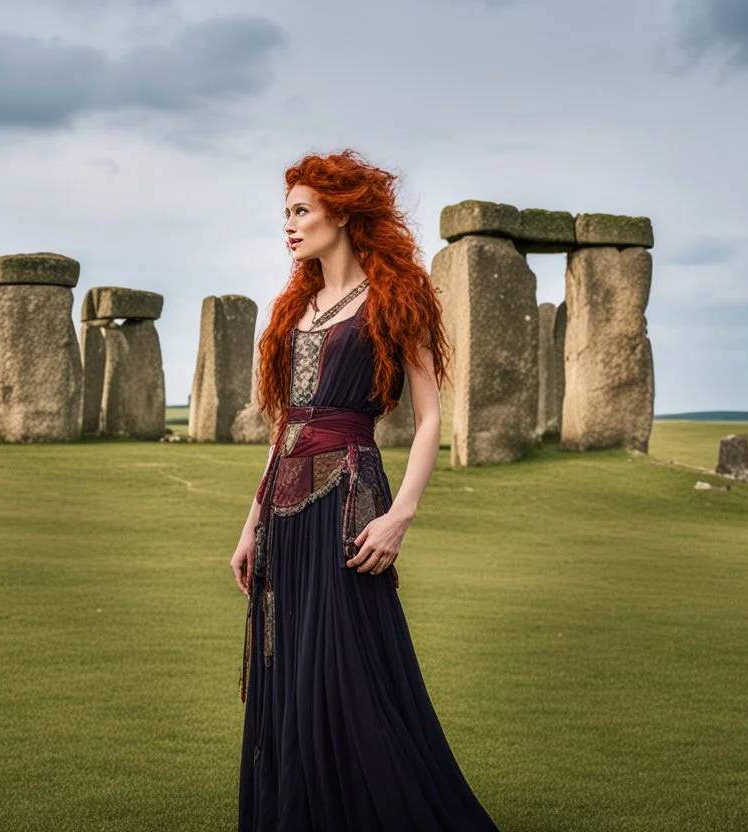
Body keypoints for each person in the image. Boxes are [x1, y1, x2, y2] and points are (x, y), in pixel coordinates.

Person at [230, 150, 501, 832]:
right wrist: (249, 525)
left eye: (301, 211)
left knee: (350, 668)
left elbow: (431, 414)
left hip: (350, 497)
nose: (289, 226)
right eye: (285, 214)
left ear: (342, 213)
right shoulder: (297, 306)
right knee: (289, 667)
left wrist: (400, 517)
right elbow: (283, 428)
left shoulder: (394, 299)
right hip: (284, 510)